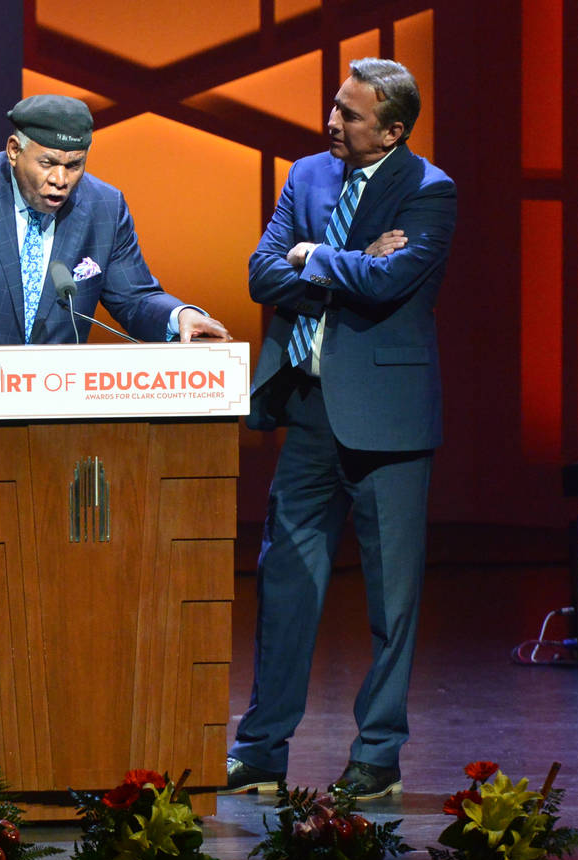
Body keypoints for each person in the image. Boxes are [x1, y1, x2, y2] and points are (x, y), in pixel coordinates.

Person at [224, 59, 457, 799]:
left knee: (391, 600)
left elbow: (392, 283)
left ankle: (378, 754)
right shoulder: (308, 176)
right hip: (310, 409)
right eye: (335, 106)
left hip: (388, 423)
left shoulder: (429, 191)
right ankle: (262, 749)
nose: (333, 123)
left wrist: (316, 255)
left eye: (351, 115)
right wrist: (345, 262)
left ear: (392, 128)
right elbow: (263, 272)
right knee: (286, 580)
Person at [0, 94, 231, 358]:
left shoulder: (105, 206)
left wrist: (180, 314)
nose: (61, 179)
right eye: (48, 162)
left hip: (53, 416)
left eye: (74, 165)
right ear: (13, 150)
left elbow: (134, 298)